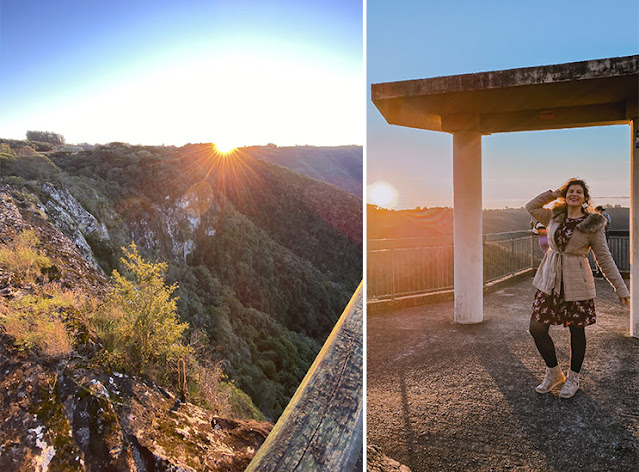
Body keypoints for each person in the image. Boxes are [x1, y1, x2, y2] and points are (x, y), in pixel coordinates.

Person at [526, 178, 630, 398]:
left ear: (585, 198)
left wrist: (620, 288)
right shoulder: (554, 216)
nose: (574, 194)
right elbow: (531, 207)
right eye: (570, 191)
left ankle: (573, 378)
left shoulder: (593, 224)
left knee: (577, 330)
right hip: (550, 280)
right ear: (566, 194)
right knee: (537, 327)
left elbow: (604, 257)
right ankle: (554, 372)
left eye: (579, 192)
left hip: (577, 281)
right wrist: (553, 194)